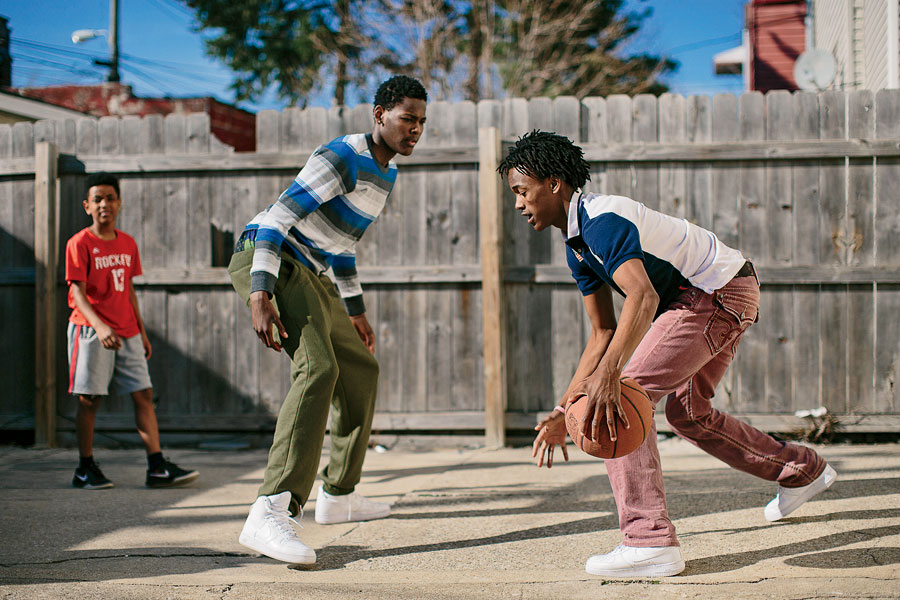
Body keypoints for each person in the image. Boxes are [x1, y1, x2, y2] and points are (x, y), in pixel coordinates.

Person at [498, 130, 837, 578]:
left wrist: (611, 379)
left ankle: (649, 542)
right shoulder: (578, 245)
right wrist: (564, 408)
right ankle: (800, 469)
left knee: (620, 399)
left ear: (554, 183)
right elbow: (602, 332)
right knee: (688, 413)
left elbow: (642, 298)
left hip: (714, 294)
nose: (519, 204)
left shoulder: (603, 219)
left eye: (522, 192)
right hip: (717, 292)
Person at [229, 75, 428, 565]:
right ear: (379, 114)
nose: (416, 130)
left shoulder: (386, 173)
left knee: (360, 369)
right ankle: (271, 509)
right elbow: (275, 220)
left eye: (422, 122)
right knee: (318, 368)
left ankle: (338, 495)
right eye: (407, 118)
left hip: (312, 271)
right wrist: (260, 294)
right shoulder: (342, 156)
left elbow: (340, 248)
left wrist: (355, 312)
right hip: (270, 259)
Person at [66, 172, 199, 490]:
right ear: (87, 205)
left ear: (119, 203)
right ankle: (85, 468)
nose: (104, 204)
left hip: (128, 332)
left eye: (110, 198)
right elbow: (77, 293)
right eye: (97, 199)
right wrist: (99, 326)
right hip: (91, 330)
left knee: (144, 394)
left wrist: (141, 330)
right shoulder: (80, 243)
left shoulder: (127, 243)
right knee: (89, 399)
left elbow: (129, 290)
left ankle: (156, 466)